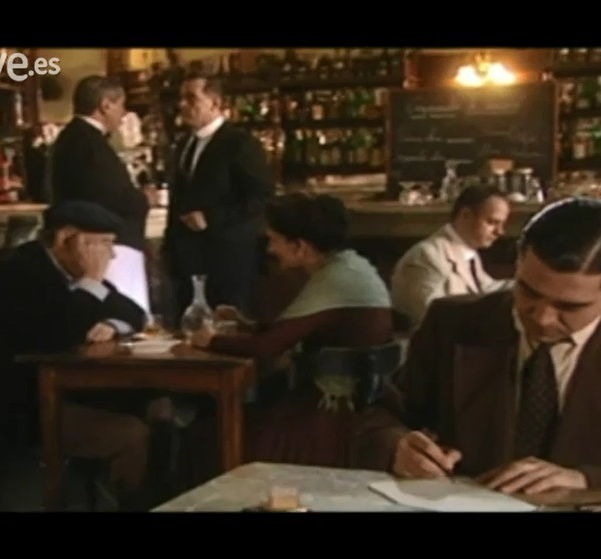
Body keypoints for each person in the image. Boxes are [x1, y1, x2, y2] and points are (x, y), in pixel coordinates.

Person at [353, 198, 601, 496]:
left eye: (568, 306)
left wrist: (586, 480)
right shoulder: (453, 323)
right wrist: (397, 447)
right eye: (528, 292)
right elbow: (380, 418)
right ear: (518, 264)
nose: (542, 318)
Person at [187, 193, 394, 474]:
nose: (270, 249)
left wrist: (210, 340)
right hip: (343, 406)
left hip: (330, 420)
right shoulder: (348, 266)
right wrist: (245, 324)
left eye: (274, 240)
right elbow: (295, 330)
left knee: (205, 436)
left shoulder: (336, 278)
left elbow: (267, 348)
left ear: (300, 246)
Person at [0, 200, 154, 506]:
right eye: (102, 243)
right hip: (18, 405)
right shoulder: (18, 274)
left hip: (67, 393)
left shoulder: (75, 273)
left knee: (158, 407)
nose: (111, 254)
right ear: (66, 238)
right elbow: (60, 336)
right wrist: (90, 283)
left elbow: (135, 313)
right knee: (132, 434)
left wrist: (111, 322)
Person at [162, 72, 274, 324]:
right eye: (181, 98)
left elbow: (261, 197)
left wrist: (211, 218)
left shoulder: (239, 143)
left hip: (227, 260)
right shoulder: (183, 145)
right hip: (187, 261)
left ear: (215, 102)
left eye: (191, 98)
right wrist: (169, 249)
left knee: (228, 330)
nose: (182, 105)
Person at [51, 76, 152, 311]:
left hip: (88, 245)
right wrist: (144, 198)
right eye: (121, 105)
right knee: (120, 316)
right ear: (105, 105)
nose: (124, 113)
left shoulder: (73, 136)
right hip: (108, 246)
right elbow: (112, 196)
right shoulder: (89, 142)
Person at [391, 184, 512, 329]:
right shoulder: (426, 256)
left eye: (502, 224)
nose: (500, 232)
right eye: (492, 222)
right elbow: (431, 320)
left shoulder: (468, 251)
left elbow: (487, 288)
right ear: (466, 215)